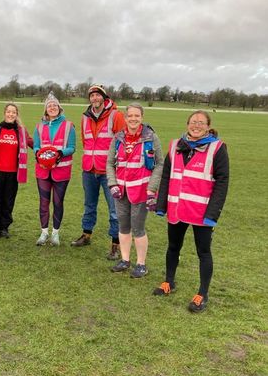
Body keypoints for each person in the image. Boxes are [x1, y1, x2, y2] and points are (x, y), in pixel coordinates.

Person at [153, 110, 229, 313]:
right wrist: (161, 205)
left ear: (208, 126)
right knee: (173, 247)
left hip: (201, 212)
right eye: (193, 122)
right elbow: (166, 176)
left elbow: (222, 182)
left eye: (201, 123)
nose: (196, 125)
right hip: (177, 209)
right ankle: (169, 282)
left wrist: (213, 214)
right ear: (187, 124)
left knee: (203, 252)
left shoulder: (217, 148)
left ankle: (202, 293)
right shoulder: (175, 145)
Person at [106, 103, 164, 278]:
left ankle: (141, 264)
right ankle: (125, 260)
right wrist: (112, 183)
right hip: (120, 191)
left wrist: (152, 188)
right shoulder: (118, 138)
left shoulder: (151, 137)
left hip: (141, 191)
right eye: (130, 116)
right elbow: (109, 163)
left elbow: (160, 163)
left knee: (138, 228)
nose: (133, 119)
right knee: (123, 226)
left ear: (142, 117)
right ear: (125, 118)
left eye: (136, 116)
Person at [71, 85, 126, 260]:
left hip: (109, 172)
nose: (94, 98)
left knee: (114, 209)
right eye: (92, 96)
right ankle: (86, 235)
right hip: (89, 169)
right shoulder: (85, 117)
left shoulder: (116, 116)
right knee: (89, 205)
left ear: (103, 97)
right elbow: (84, 141)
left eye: (97, 95)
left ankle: (115, 244)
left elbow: (122, 142)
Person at [34, 92, 76, 246]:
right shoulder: (39, 126)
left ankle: (55, 233)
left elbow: (72, 148)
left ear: (59, 108)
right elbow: (37, 146)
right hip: (43, 170)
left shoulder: (68, 126)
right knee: (44, 202)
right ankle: (44, 232)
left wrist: (60, 153)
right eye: (49, 106)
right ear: (46, 110)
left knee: (58, 202)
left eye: (54, 105)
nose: (52, 107)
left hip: (61, 171)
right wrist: (38, 154)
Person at [0, 103, 33, 238]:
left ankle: (4, 227)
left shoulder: (21, 131)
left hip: (13, 174)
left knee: (8, 201)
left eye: (14, 112)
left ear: (16, 115)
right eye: (9, 112)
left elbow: (34, 144)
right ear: (4, 113)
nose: (11, 114)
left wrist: (49, 149)